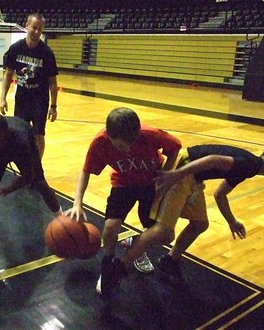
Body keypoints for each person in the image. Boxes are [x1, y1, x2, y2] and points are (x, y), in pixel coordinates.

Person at [119, 142, 264, 285]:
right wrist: (177, 174)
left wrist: (232, 221)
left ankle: (170, 260)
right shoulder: (249, 165)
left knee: (200, 223)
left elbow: (220, 195)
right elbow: (212, 159)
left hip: (193, 176)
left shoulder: (250, 166)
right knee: (164, 232)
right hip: (185, 169)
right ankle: (118, 268)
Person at [64, 107, 181, 296]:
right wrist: (78, 202)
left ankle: (135, 245)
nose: (128, 149)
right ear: (109, 135)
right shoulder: (99, 143)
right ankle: (108, 265)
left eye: (132, 143)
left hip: (151, 184)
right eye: (121, 146)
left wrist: (165, 174)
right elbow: (86, 170)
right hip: (123, 184)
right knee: (110, 227)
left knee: (161, 233)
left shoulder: (150, 134)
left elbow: (175, 146)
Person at [0, 113, 62, 240]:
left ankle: (62, 219)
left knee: (40, 183)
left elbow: (29, 175)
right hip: (5, 145)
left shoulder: (21, 141)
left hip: (21, 140)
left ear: (6, 133)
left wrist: (9, 189)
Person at [0, 12, 58, 159]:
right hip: (22, 98)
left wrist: (53, 106)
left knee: (39, 134)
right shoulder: (15, 49)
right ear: (27, 26)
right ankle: (24, 164)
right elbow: (8, 75)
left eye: (40, 29)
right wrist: (3, 98)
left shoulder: (47, 53)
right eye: (34, 27)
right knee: (20, 133)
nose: (37, 32)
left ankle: (37, 168)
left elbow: (53, 82)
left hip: (40, 99)